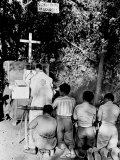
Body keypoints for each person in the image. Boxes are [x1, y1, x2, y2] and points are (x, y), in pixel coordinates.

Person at [26, 63, 54, 153]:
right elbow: (52, 93)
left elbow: (32, 94)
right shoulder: (49, 79)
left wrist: (29, 104)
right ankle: (46, 147)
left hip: (36, 107)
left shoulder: (34, 78)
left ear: (36, 69)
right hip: (47, 108)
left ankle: (32, 147)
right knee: (46, 127)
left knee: (33, 126)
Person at [52, 83, 76, 158]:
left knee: (60, 139)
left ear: (62, 91)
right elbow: (74, 109)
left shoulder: (58, 99)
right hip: (69, 120)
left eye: (59, 91)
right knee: (70, 138)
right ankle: (72, 152)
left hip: (60, 120)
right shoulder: (73, 100)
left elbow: (52, 108)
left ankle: (66, 151)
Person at [97, 93, 120, 160]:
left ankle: (104, 158)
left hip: (104, 128)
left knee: (101, 148)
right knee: (113, 148)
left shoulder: (102, 107)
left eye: (104, 99)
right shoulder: (117, 108)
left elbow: (99, 118)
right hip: (113, 129)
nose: (103, 101)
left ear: (107, 99)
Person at [73, 91, 96, 158]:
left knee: (80, 145)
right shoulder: (93, 108)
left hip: (81, 128)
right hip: (90, 128)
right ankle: (89, 155)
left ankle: (81, 155)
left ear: (83, 97)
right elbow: (94, 120)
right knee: (90, 145)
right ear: (91, 99)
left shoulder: (77, 107)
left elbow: (75, 117)